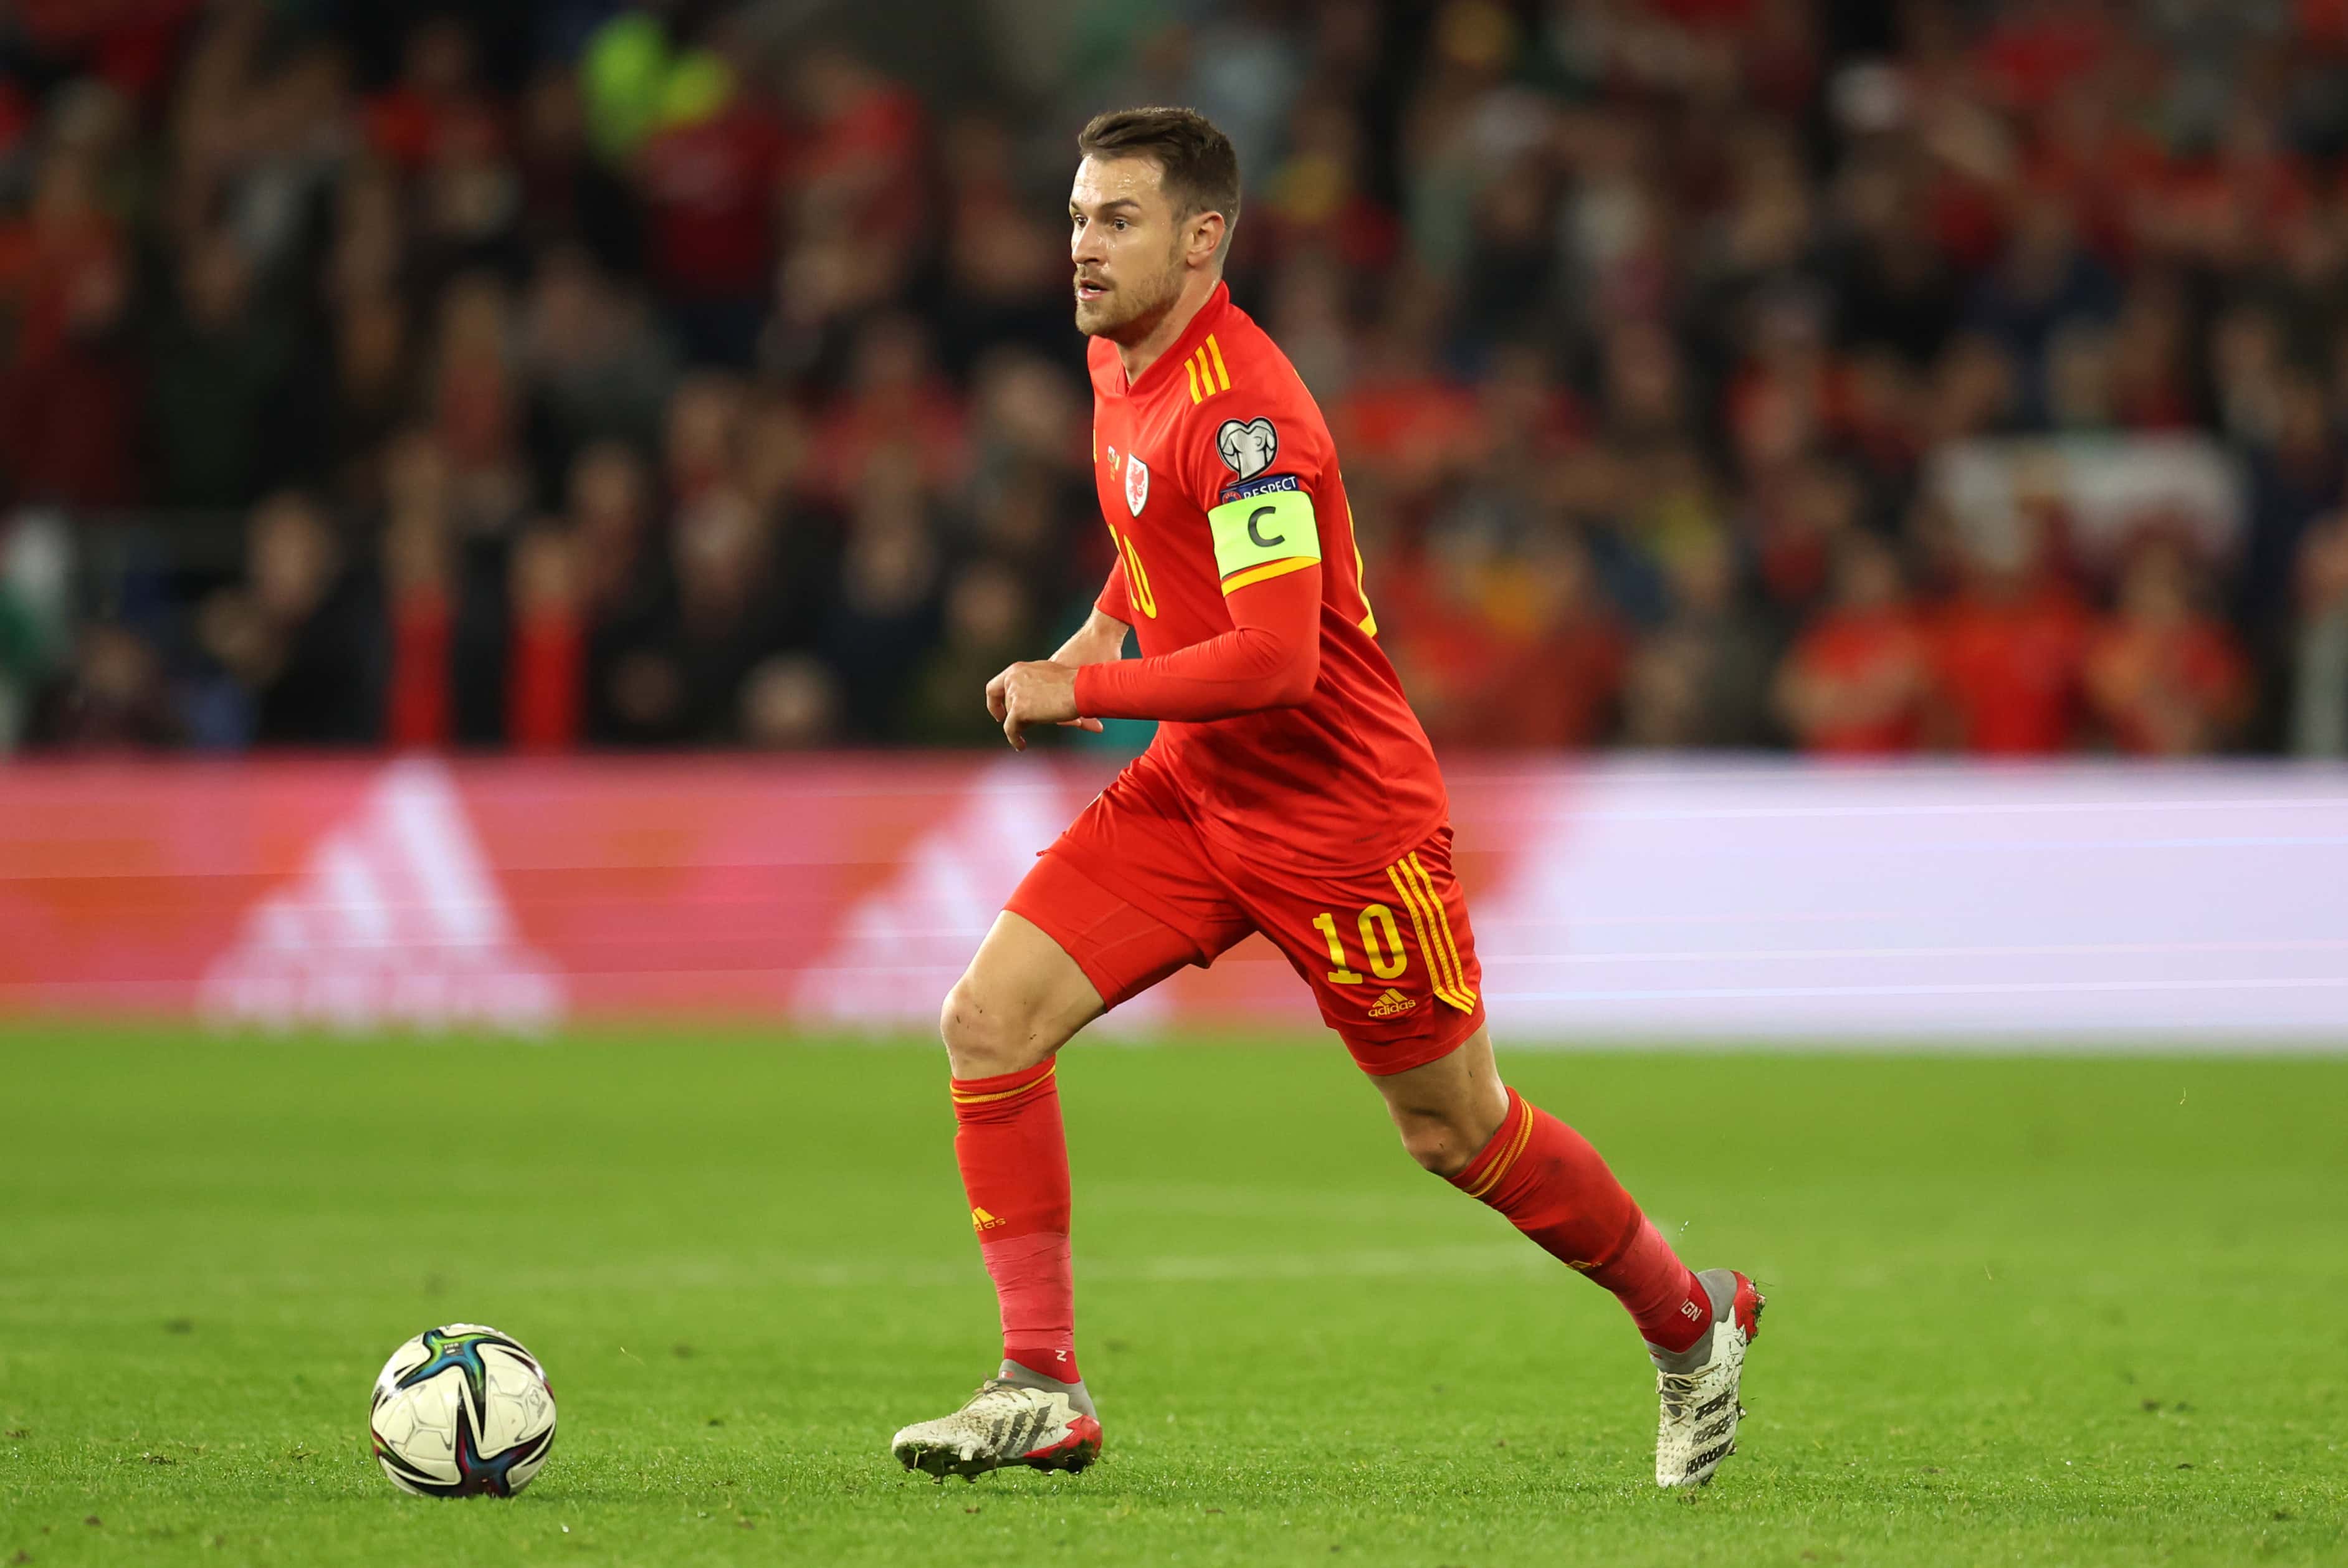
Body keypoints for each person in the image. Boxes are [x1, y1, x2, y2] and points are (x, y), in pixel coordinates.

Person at [888, 108, 1763, 1490]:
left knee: (1455, 1128)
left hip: (1340, 823)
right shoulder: (1121, 356)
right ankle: (1040, 1382)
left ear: (1203, 237)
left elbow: (1278, 658)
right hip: (1196, 793)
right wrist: (1106, 618)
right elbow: (1154, 527)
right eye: (1076, 218)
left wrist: (1083, 690)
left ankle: (1688, 1321)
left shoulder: (1248, 418)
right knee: (988, 1019)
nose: (1083, 246)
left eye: (1117, 220)